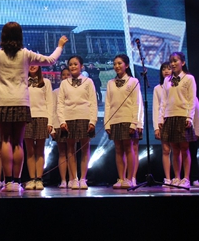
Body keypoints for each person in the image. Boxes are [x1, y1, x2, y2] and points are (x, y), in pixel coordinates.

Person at [0, 22, 67, 192]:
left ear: (3, 36)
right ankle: (16, 182)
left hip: (2, 103)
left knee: (5, 141)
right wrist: (60, 45)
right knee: (18, 143)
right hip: (21, 103)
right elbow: (51, 60)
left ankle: (8, 181)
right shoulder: (25, 54)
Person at [57, 55, 98, 189]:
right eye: (71, 64)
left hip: (85, 117)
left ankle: (83, 178)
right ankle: (74, 178)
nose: (73, 66)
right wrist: (62, 121)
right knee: (70, 149)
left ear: (81, 66)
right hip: (69, 118)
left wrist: (92, 121)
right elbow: (60, 103)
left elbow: (93, 102)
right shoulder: (64, 83)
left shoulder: (88, 81)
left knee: (85, 148)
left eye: (75, 64)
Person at [158, 52, 196, 188]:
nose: (173, 64)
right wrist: (161, 118)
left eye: (175, 61)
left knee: (184, 148)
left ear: (183, 63)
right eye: (171, 61)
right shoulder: (167, 80)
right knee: (174, 149)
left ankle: (186, 178)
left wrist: (189, 117)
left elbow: (192, 100)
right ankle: (176, 177)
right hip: (169, 116)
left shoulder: (189, 78)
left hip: (182, 116)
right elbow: (164, 101)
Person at [105, 54, 140, 189]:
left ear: (126, 65)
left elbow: (136, 103)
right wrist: (107, 123)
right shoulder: (110, 83)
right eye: (115, 64)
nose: (117, 66)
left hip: (128, 119)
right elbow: (108, 103)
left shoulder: (133, 81)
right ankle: (121, 178)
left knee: (128, 148)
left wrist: (134, 123)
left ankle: (130, 178)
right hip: (115, 120)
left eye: (119, 63)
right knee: (118, 149)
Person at [24, 65, 54, 190]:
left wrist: (50, 122)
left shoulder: (46, 82)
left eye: (35, 63)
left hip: (42, 117)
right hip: (26, 118)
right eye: (30, 63)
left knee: (40, 150)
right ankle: (32, 179)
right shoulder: (22, 82)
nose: (32, 66)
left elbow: (50, 102)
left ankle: (39, 179)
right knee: (30, 150)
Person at [153, 62, 172, 184]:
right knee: (165, 150)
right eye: (164, 69)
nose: (166, 71)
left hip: (174, 119)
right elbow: (156, 108)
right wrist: (156, 127)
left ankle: (178, 177)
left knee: (177, 150)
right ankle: (168, 178)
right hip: (162, 122)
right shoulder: (157, 88)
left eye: (169, 69)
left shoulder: (175, 85)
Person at [52, 68, 71, 188]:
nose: (65, 76)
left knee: (72, 152)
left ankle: (73, 178)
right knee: (62, 152)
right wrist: (54, 127)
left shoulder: (75, 90)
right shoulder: (55, 92)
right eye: (63, 75)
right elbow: (53, 110)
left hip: (72, 124)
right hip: (59, 124)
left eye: (68, 74)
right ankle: (63, 180)